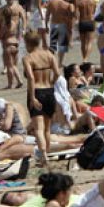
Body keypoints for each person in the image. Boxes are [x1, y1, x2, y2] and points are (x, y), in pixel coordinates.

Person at [22, 30, 59, 160]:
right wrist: (52, 83)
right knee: (47, 129)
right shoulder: (49, 55)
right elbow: (58, 73)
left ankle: (43, 155)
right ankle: (47, 153)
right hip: (49, 91)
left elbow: (31, 78)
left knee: (38, 129)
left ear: (27, 43)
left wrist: (32, 97)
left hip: (37, 91)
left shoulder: (28, 58)